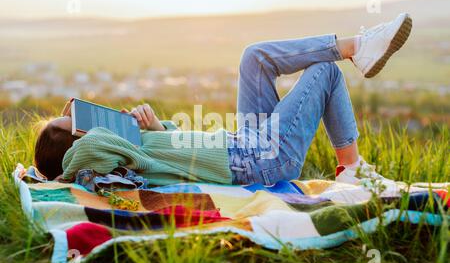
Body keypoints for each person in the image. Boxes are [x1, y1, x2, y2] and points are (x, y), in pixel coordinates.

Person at [34, 13, 412, 189]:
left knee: (254, 57)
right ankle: (352, 170)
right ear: (75, 144)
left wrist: (154, 127)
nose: (84, 119)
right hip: (262, 160)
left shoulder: (124, 151)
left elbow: (171, 149)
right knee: (325, 73)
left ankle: (356, 47)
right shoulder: (90, 158)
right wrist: (79, 123)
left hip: (244, 144)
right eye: (75, 123)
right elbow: (82, 155)